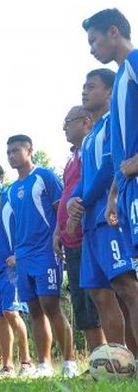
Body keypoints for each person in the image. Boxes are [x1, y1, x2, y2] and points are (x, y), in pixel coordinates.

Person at [67, 64, 138, 359]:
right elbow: (85, 176)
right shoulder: (92, 134)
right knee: (99, 292)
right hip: (90, 226)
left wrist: (80, 203)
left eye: (92, 85)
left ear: (110, 92)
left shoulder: (112, 124)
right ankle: (123, 361)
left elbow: (110, 167)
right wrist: (72, 199)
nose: (85, 90)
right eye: (83, 85)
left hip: (109, 217)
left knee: (126, 286)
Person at [6, 135, 78, 378]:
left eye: (16, 150)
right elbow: (17, 225)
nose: (11, 155)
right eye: (9, 152)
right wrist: (16, 253)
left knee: (51, 305)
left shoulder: (44, 176)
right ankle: (44, 365)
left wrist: (59, 238)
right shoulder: (12, 189)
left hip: (46, 252)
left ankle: (70, 362)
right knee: (34, 310)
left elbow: (61, 209)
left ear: (30, 150)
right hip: (24, 256)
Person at [54, 105, 106, 351]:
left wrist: (78, 216)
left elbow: (93, 183)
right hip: (69, 240)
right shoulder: (71, 158)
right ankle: (98, 357)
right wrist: (57, 231)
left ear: (85, 122)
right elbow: (66, 195)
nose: (64, 127)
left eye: (68, 121)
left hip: (90, 232)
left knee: (99, 297)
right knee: (81, 302)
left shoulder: (92, 148)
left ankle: (116, 354)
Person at [0, 164, 34, 379]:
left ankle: (27, 361)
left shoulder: (10, 196)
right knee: (0, 316)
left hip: (11, 266)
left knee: (11, 312)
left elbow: (25, 224)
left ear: (0, 178)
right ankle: (7, 366)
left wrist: (18, 253)